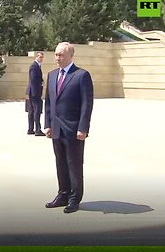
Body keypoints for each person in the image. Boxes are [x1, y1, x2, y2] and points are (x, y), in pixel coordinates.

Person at [44, 42, 93, 214]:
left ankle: (74, 198)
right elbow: (48, 103)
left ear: (70, 55)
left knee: (74, 164)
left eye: (61, 55)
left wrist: (83, 127)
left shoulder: (81, 75)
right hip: (56, 129)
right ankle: (63, 194)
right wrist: (47, 125)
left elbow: (87, 104)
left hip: (74, 130)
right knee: (60, 163)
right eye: (56, 54)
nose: (57, 58)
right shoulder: (51, 75)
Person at [26, 52, 45, 136]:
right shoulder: (34, 66)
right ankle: (37, 129)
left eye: (42, 57)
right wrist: (37, 90)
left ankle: (30, 129)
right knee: (36, 110)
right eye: (40, 57)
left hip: (33, 92)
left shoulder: (37, 66)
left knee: (32, 110)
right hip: (35, 92)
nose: (41, 59)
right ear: (36, 57)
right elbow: (33, 80)